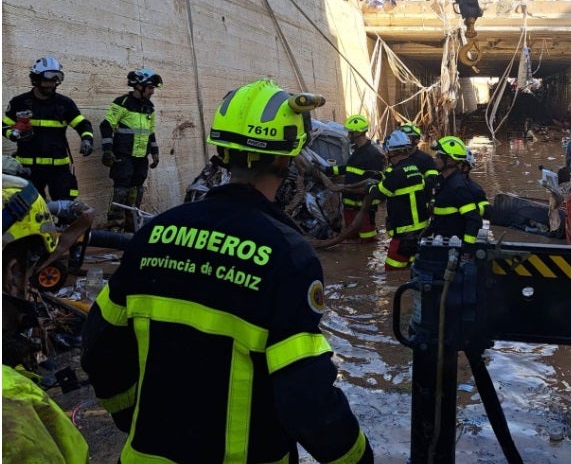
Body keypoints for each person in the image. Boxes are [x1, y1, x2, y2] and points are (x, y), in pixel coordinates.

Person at [81, 79, 373, 463]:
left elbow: (100, 345)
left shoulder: (153, 233)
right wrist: (356, 457)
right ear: (287, 158)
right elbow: (304, 394)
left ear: (221, 150)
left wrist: (129, 415)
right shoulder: (288, 256)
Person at [2, 56, 94, 201]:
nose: (51, 84)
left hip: (58, 169)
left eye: (55, 80)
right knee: (31, 209)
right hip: (28, 169)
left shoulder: (64, 104)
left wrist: (87, 139)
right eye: (48, 79)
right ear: (36, 79)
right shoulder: (19, 103)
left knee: (66, 209)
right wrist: (13, 134)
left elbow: (83, 124)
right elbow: (4, 126)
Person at [100, 68, 162, 231]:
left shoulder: (149, 107)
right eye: (150, 88)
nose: (152, 92)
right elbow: (106, 125)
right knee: (121, 190)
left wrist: (155, 152)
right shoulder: (122, 103)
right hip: (123, 155)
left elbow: (150, 131)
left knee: (137, 190)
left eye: (153, 89)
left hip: (141, 156)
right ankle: (115, 226)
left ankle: (131, 225)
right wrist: (107, 150)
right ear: (139, 86)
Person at [368, 130, 429, 271]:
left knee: (391, 273)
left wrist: (370, 187)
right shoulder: (415, 169)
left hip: (403, 236)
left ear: (392, 152)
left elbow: (378, 194)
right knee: (413, 271)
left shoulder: (396, 174)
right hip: (420, 233)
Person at [323, 114, 385, 243]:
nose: (348, 136)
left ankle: (366, 262)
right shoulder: (357, 151)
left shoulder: (373, 155)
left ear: (357, 133)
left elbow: (374, 181)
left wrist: (348, 188)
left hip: (364, 206)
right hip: (350, 203)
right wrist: (327, 170)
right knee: (351, 238)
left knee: (367, 241)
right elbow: (349, 169)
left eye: (350, 133)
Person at [426, 135, 490, 259]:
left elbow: (474, 220)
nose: (435, 159)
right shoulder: (442, 181)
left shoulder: (457, 187)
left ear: (450, 160)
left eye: (439, 156)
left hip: (454, 249)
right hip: (443, 243)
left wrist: (466, 249)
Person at [399, 122, 439, 195]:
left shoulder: (425, 159)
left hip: (421, 202)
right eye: (401, 138)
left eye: (408, 138)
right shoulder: (398, 158)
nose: (403, 141)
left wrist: (415, 181)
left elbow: (433, 179)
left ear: (416, 140)